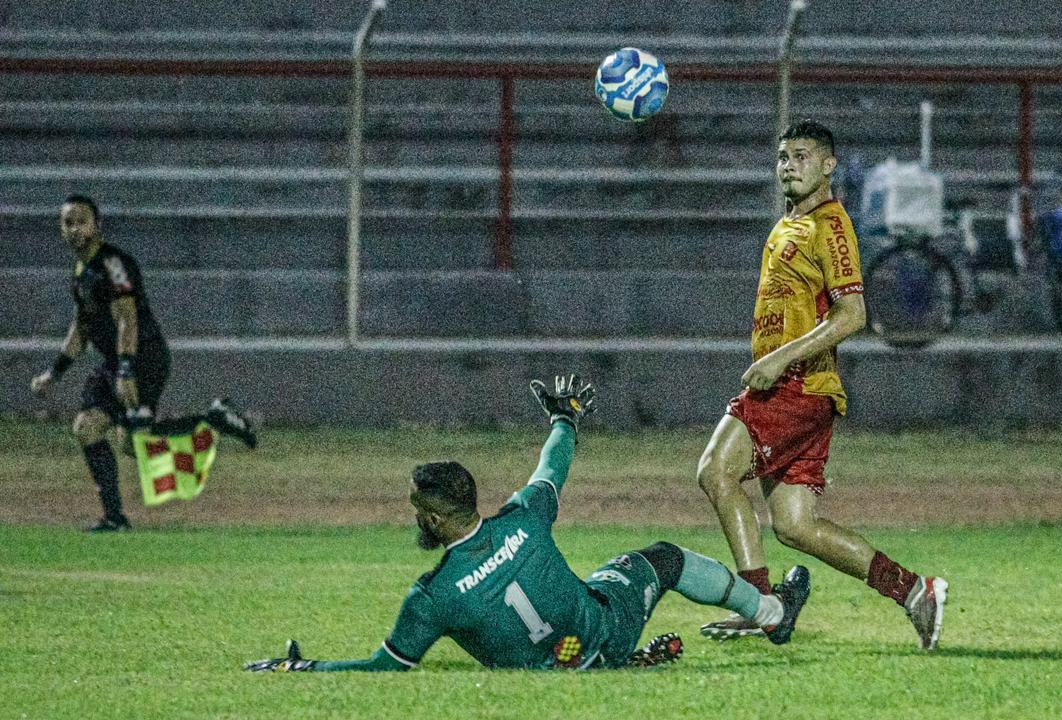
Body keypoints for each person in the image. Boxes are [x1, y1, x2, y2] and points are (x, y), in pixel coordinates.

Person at [244, 375, 811, 673]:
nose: (415, 515)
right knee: (662, 559)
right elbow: (553, 463)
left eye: (417, 507)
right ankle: (770, 612)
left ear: (437, 518)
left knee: (595, 582)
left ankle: (767, 614)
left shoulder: (432, 596)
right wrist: (564, 418)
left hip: (561, 667)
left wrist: (305, 667)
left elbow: (381, 669)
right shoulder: (524, 519)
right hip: (605, 639)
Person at [696, 121, 950, 651]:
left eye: (802, 156)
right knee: (794, 526)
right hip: (805, 391)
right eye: (783, 156)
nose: (789, 165)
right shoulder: (788, 224)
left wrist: (781, 358)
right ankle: (914, 592)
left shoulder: (830, 227)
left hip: (794, 385)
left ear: (829, 165)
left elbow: (853, 313)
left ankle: (759, 605)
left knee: (716, 471)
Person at [29, 194, 258, 532]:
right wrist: (55, 373)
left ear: (97, 225)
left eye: (81, 221)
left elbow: (127, 319)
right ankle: (114, 518)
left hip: (142, 359)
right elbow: (81, 327)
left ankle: (214, 419)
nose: (74, 228)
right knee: (90, 430)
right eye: (67, 222)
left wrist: (126, 370)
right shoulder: (81, 272)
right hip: (114, 363)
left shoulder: (114, 265)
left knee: (136, 443)